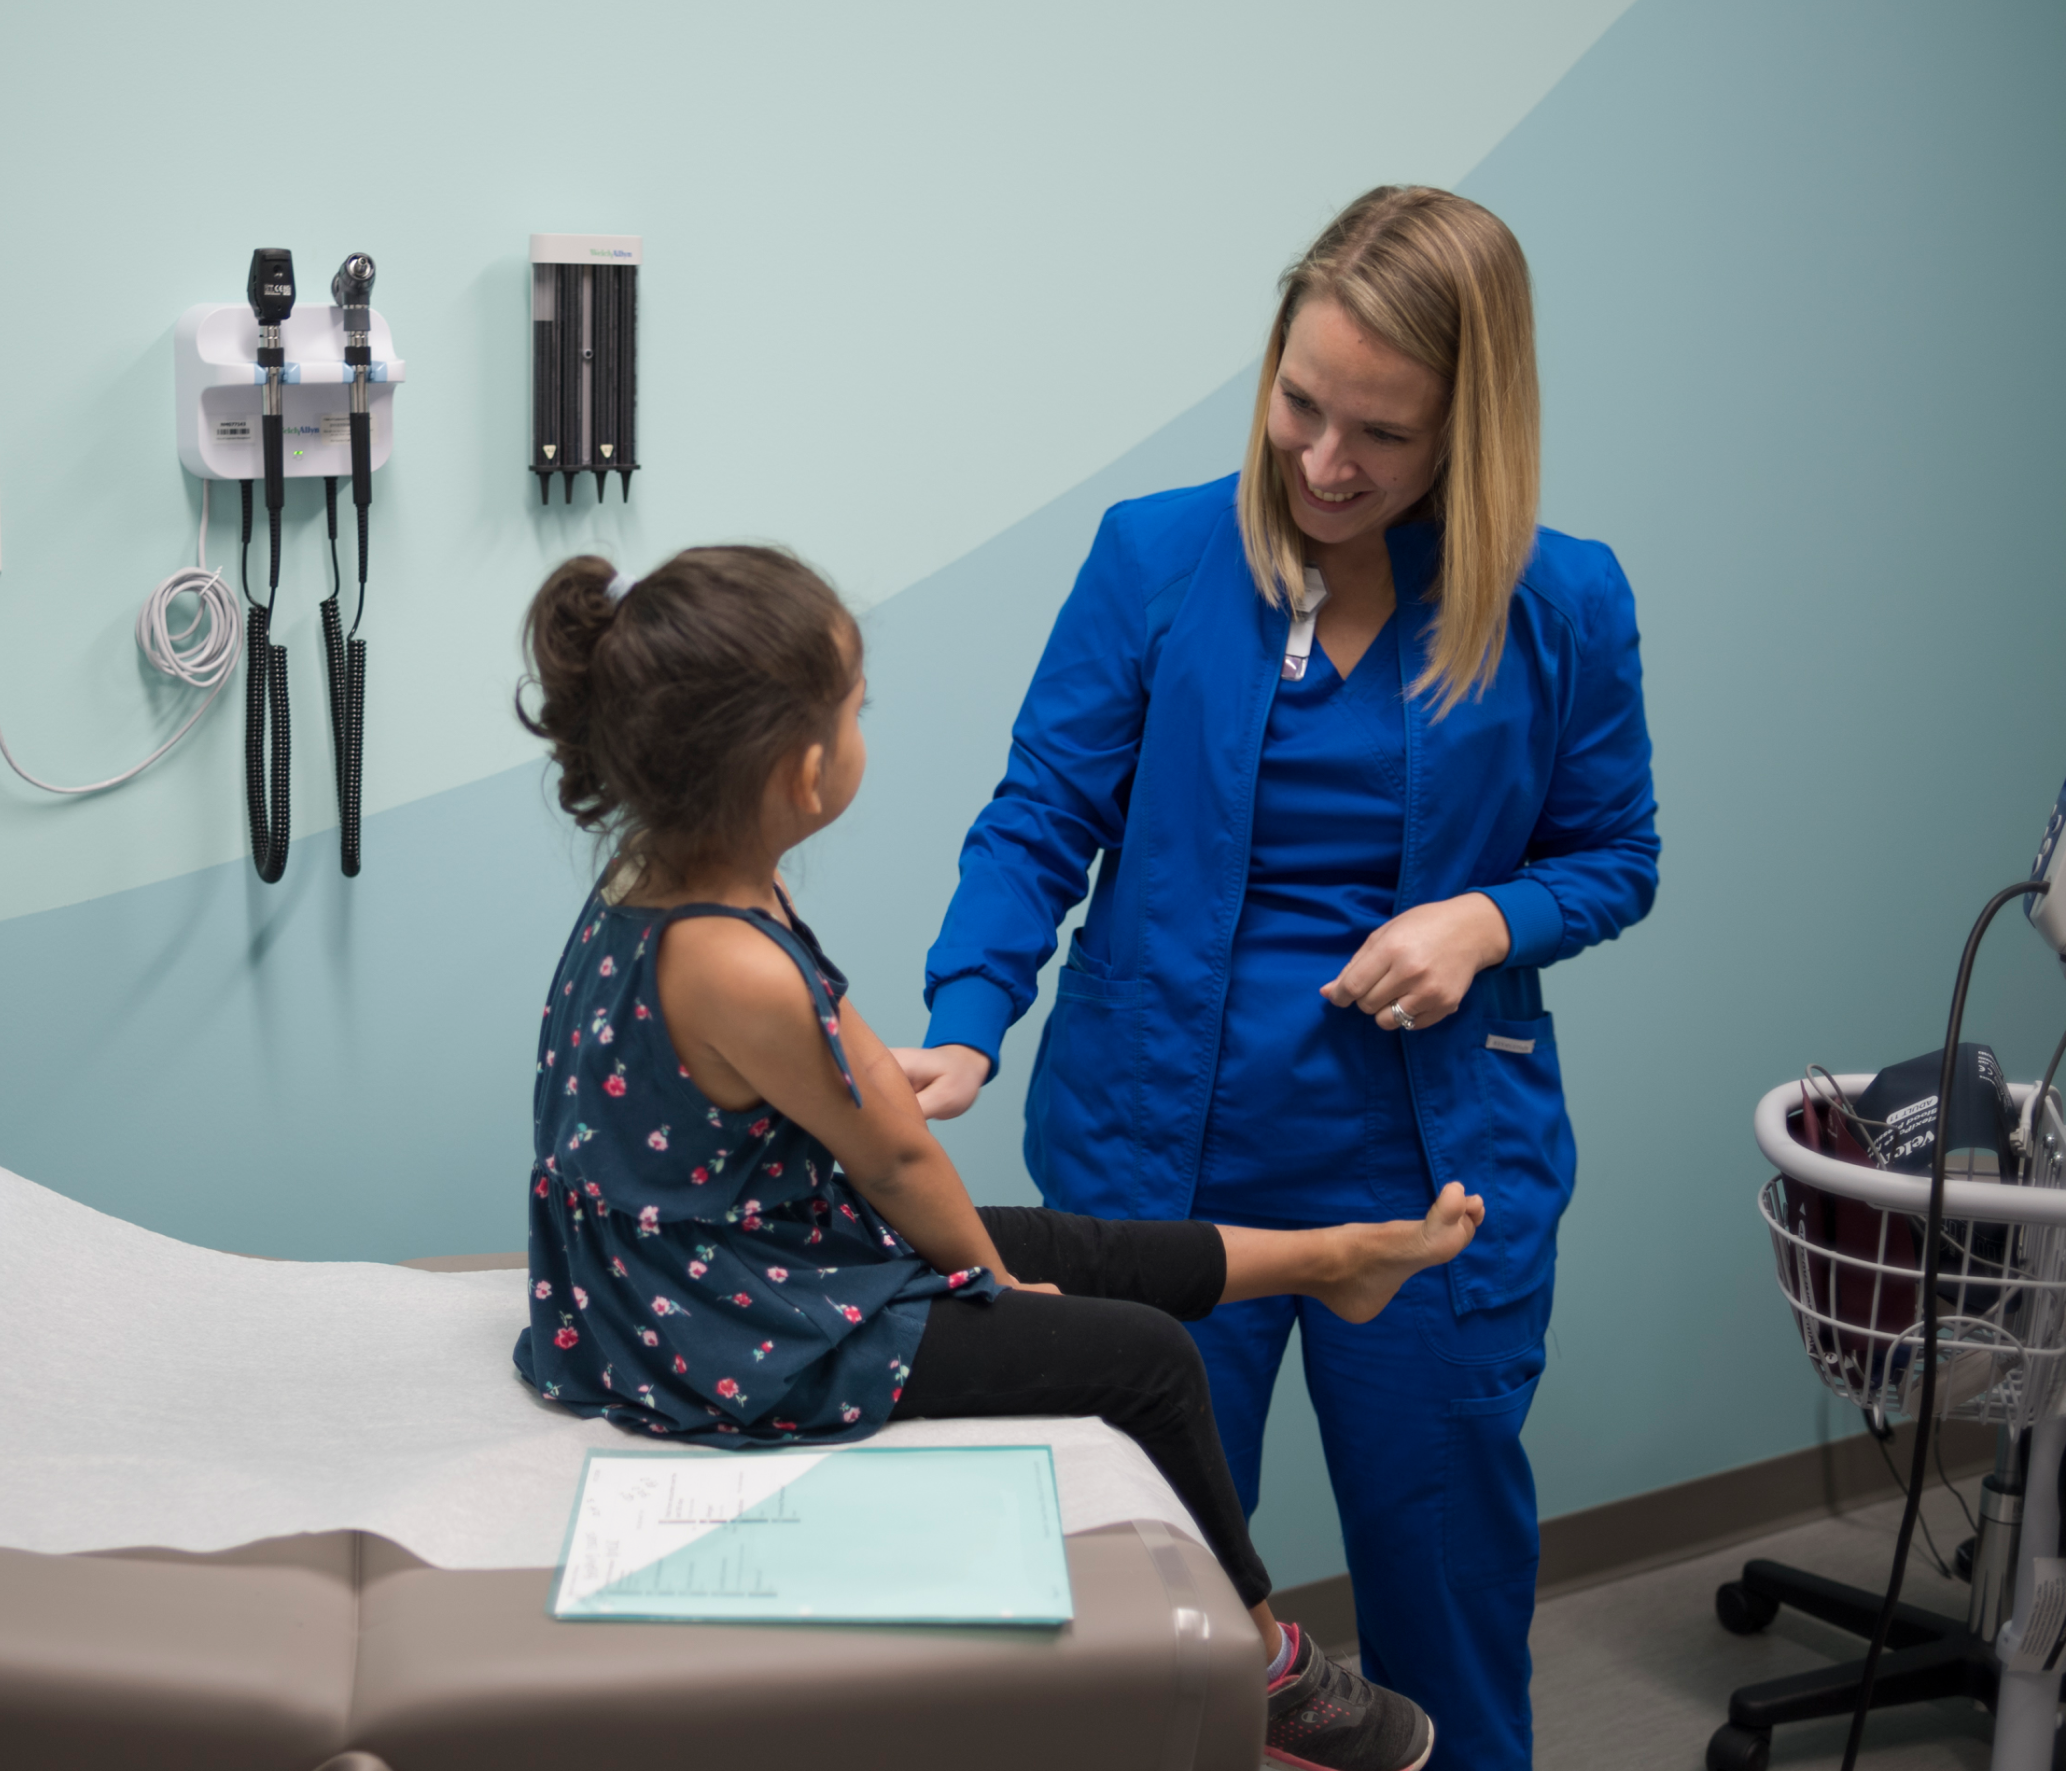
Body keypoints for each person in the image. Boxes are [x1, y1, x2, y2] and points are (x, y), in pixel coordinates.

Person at [894, 187, 1660, 1770]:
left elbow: (1616, 855)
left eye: (1379, 432)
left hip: (1433, 1170)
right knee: (1148, 1596)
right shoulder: (1159, 558)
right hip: (1160, 1165)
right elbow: (1041, 814)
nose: (1323, 461)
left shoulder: (1563, 602)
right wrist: (968, 1024)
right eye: (1301, 403)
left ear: (1472, 424)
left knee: (1443, 1570)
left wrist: (1486, 924)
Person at [511, 542, 1489, 1771]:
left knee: (1072, 1241)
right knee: (1138, 1358)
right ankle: (1268, 1667)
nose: (861, 732)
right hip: (716, 1315)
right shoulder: (732, 956)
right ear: (807, 771)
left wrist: (924, 1114)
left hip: (725, 1249)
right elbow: (900, 1169)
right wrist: (986, 1287)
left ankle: (1334, 1258)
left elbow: (843, 1075)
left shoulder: (668, 881)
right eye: (855, 713)